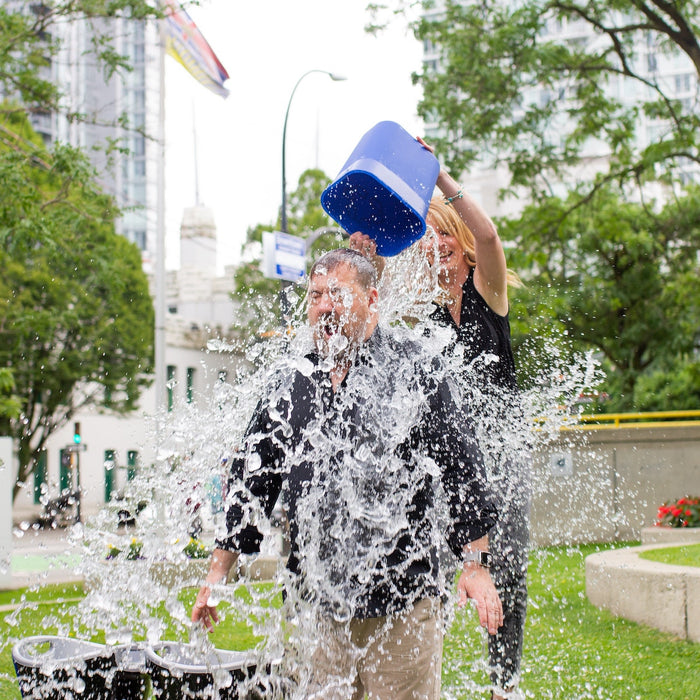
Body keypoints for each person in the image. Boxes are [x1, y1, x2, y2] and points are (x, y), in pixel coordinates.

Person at [191, 248, 503, 700]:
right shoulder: (291, 380)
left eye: (337, 294)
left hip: (403, 602)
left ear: (371, 298)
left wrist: (475, 566)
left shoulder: (413, 368)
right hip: (316, 605)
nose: (323, 306)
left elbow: (462, 467)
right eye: (315, 295)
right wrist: (216, 575)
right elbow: (251, 482)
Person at [349, 140, 531, 700]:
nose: (438, 247)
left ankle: (505, 685)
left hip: (501, 458)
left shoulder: (487, 294)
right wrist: (366, 256)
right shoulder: (423, 321)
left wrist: (440, 178)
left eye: (446, 236)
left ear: (462, 246)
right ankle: (424, 675)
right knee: (432, 564)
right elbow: (373, 321)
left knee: (506, 569)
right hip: (453, 464)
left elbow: (493, 238)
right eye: (430, 240)